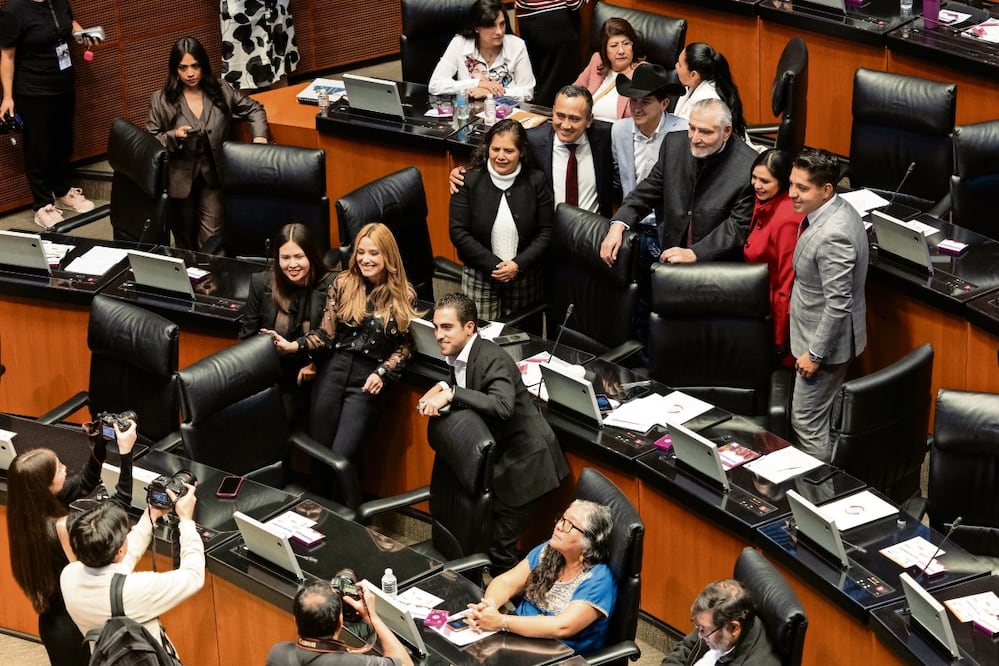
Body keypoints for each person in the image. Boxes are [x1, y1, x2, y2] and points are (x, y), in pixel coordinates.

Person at [417, 292, 569, 571]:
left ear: (470, 328)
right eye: (436, 327)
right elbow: (464, 388)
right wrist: (443, 385)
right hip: (505, 464)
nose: (439, 335)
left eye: (447, 327)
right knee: (488, 542)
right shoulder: (461, 356)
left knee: (499, 550)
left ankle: (524, 607)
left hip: (529, 467)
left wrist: (450, 392)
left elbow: (501, 407)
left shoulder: (492, 358)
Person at [600, 98, 756, 345]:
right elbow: (649, 189)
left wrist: (695, 253)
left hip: (711, 272)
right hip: (668, 257)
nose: (694, 137)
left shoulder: (747, 167)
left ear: (727, 131)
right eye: (692, 127)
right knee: (658, 330)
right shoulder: (674, 143)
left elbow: (737, 226)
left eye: (705, 132)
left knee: (697, 340)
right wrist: (619, 223)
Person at [270, 223, 420, 472]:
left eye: (373, 253)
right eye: (361, 252)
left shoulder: (405, 295)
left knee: (342, 457)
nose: (365, 259)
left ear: (388, 256)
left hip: (367, 378)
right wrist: (294, 346)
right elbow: (326, 335)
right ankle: (317, 508)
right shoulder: (343, 283)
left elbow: (406, 348)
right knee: (319, 454)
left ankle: (343, 508)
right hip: (333, 370)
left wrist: (383, 371)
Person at [6, 419, 136, 666]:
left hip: (51, 622)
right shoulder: (63, 527)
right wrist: (126, 454)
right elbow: (120, 508)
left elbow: (86, 480)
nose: (64, 466)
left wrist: (102, 443)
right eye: (57, 467)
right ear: (44, 485)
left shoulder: (27, 514)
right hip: (75, 626)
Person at [146, 36, 269, 250]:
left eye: (195, 66)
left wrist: (259, 138)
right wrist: (174, 135)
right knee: (185, 243)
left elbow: (254, 109)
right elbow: (150, 140)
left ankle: (210, 280)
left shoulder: (221, 90)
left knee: (211, 241)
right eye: (183, 68)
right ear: (175, 69)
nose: (190, 73)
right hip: (179, 182)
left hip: (214, 178)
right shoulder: (161, 99)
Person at [788, 149, 868, 462]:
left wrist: (815, 354)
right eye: (792, 184)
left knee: (806, 424)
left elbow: (838, 303)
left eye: (802, 188)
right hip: (816, 333)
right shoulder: (835, 209)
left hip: (823, 348)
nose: (792, 193)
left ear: (826, 190)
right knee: (823, 421)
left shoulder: (835, 234)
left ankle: (818, 498)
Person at [61, 482, 203, 656]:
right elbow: (193, 576)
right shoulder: (136, 589)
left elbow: (118, 564)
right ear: (120, 550)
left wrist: (150, 516)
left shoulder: (68, 576)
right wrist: (186, 521)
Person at [465, 500, 616, 654]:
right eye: (562, 519)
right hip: (516, 638)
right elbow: (507, 582)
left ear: (589, 542)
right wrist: (489, 606)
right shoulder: (549, 550)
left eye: (569, 524)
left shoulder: (599, 580)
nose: (558, 526)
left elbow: (562, 627)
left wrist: (502, 622)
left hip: (556, 655)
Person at [0, 0, 98, 229]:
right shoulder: (14, 10)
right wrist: (7, 96)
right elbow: (7, 55)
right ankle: (42, 204)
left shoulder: (58, 0)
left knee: (63, 142)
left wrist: (82, 34)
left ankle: (62, 190)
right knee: (38, 149)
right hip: (32, 90)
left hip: (63, 84)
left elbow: (69, 22)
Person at [450, 85, 616, 219]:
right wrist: (465, 173)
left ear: (589, 120)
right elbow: (499, 161)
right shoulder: (533, 140)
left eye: (574, 118)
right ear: (552, 112)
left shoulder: (607, 137)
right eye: (560, 116)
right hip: (550, 237)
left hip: (594, 236)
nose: (565, 125)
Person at [449, 118, 553, 320]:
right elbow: (458, 232)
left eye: (509, 151)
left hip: (524, 276)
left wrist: (518, 264)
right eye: (495, 149)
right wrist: (494, 265)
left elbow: (546, 231)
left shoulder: (537, 181)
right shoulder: (467, 180)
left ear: (521, 152)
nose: (500, 156)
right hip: (480, 276)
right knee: (482, 338)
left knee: (522, 340)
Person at [240, 223, 336, 423]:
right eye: (285, 258)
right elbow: (247, 337)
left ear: (311, 255)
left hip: (312, 374)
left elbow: (334, 338)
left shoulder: (331, 286)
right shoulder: (261, 283)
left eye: (299, 257)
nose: (292, 264)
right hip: (271, 371)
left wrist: (315, 364)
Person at [611, 63, 687, 278]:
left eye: (645, 102)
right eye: (633, 101)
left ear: (664, 103)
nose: (637, 108)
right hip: (632, 226)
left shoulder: (682, 132)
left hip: (666, 231)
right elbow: (619, 176)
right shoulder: (619, 130)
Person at [266, 581, 414, 666]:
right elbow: (406, 663)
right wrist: (372, 617)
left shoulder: (277, 653)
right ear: (340, 622)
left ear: (296, 620)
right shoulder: (352, 663)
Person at [743, 149, 799, 364]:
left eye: (765, 181)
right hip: (758, 302)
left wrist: (778, 340)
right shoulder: (766, 201)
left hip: (774, 317)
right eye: (754, 177)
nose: (756, 185)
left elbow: (787, 285)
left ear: (784, 181)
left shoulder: (787, 220)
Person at [429, 0, 535, 102]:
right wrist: (477, 83)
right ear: (476, 27)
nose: (499, 31)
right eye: (492, 26)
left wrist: (491, 94)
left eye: (502, 24)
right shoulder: (459, 43)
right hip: (470, 114)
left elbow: (528, 92)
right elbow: (435, 85)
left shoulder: (517, 45)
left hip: (508, 114)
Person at [662, 579, 780, 666]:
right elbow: (686, 647)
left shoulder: (757, 662)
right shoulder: (713, 626)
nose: (700, 635)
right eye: (699, 627)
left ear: (733, 628)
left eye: (704, 630)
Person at [513, 0, 584, 107]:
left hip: (526, 17)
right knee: (561, 88)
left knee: (538, 81)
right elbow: (575, 3)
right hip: (558, 17)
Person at [574, 18, 644, 122]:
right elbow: (573, 93)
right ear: (605, 49)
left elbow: (641, 113)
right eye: (614, 46)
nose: (621, 51)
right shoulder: (597, 61)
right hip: (584, 125)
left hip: (615, 132)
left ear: (633, 45)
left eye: (626, 43)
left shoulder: (642, 71)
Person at [219, 0, 299, 90]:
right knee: (240, 76)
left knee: (279, 68)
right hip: (239, 10)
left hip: (274, 7)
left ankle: (283, 102)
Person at [673, 43, 747, 137]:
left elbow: (689, 136)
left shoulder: (706, 102)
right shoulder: (695, 86)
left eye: (679, 65)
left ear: (693, 75)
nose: (676, 66)